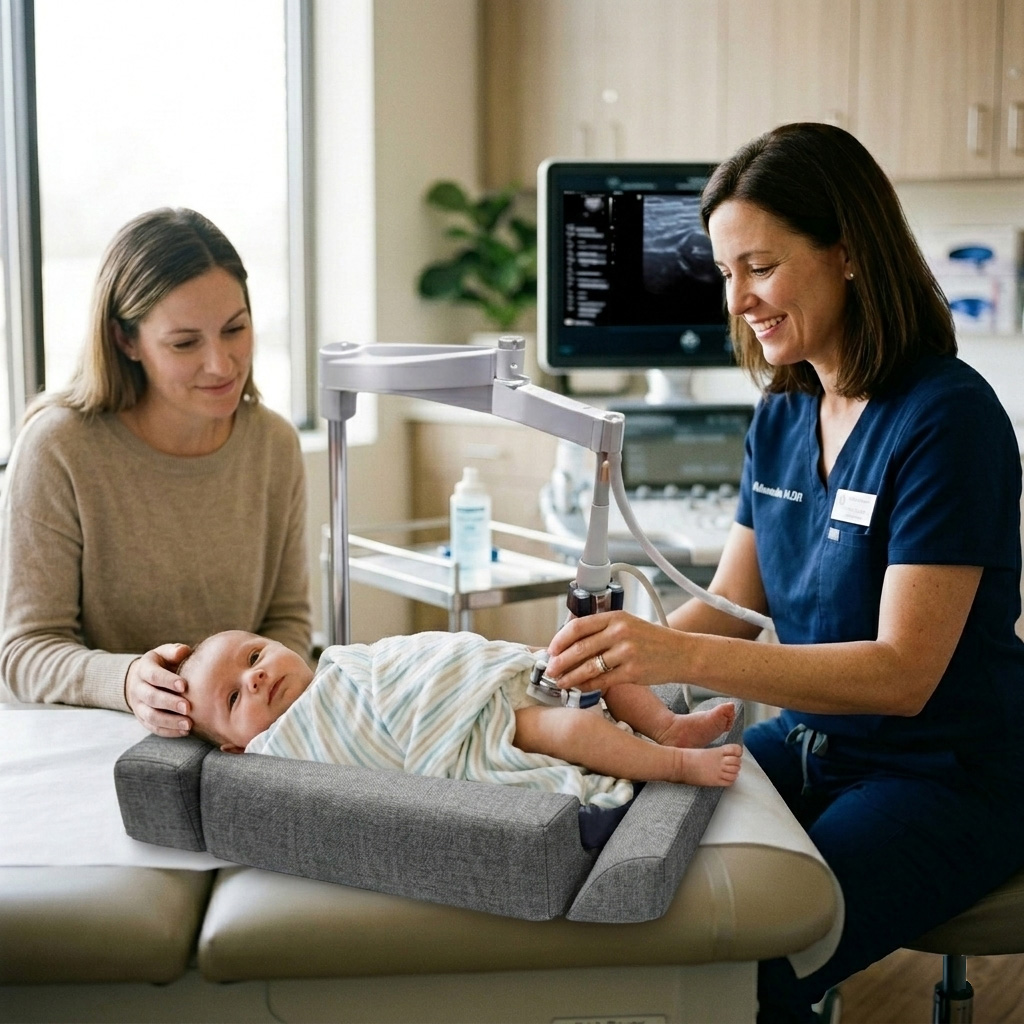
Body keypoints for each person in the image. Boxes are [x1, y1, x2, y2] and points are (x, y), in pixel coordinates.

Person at [543, 123, 1024, 1021]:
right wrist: (597, 663)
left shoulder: (947, 421)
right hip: (813, 750)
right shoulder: (782, 413)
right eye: (727, 274)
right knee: (624, 869)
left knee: (747, 962)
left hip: (944, 777)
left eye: (759, 267)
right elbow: (729, 608)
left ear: (846, 251)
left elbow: (903, 673)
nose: (740, 300)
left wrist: (666, 659)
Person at [0, 208, 311, 738]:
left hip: (243, 744)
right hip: (102, 739)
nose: (221, 363)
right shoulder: (59, 447)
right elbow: (27, 650)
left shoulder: (274, 445)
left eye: (235, 329)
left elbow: (288, 626)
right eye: (185, 343)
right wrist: (126, 682)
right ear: (126, 341)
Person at [179, 629, 743, 799]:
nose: (254, 676)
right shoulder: (276, 754)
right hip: (469, 729)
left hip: (473, 679)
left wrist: (471, 664)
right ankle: (673, 764)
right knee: (573, 727)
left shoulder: (342, 661)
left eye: (254, 655)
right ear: (236, 747)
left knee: (589, 662)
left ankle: (668, 725)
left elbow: (406, 661)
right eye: (234, 698)